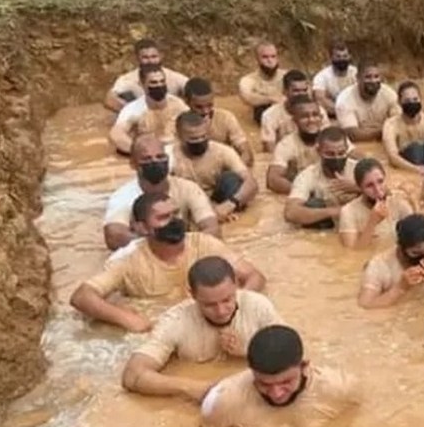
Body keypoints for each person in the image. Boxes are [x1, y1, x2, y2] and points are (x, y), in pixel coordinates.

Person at [70, 193, 265, 332]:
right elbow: (82, 297)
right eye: (163, 217)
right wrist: (127, 319)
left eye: (175, 214)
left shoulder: (204, 243)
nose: (174, 221)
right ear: (142, 227)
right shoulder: (128, 261)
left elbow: (254, 276)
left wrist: (235, 305)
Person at [121, 257, 284, 402]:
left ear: (235, 285)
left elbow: (292, 358)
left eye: (227, 300)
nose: (221, 311)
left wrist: (248, 351)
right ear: (192, 294)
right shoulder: (175, 321)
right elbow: (132, 375)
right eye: (209, 305)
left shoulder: (258, 306)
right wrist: (194, 388)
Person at [199, 325, 360, 427]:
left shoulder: (341, 388)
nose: (276, 394)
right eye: (264, 384)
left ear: (304, 366)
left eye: (286, 382)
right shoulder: (223, 404)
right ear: (252, 372)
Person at [101, 134, 220, 250]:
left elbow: (212, 228)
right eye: (147, 159)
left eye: (160, 156)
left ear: (168, 159)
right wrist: (158, 245)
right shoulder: (122, 196)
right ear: (133, 164)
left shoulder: (189, 188)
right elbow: (113, 237)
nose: (155, 162)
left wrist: (179, 245)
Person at [169, 112, 258, 219]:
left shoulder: (222, 151)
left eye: (203, 136)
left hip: (218, 198)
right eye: (194, 139)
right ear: (179, 136)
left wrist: (230, 204)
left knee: (232, 179)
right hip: (186, 201)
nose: (200, 141)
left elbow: (251, 183)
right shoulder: (168, 156)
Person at [357, 214, 424, 309]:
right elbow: (365, 305)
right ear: (400, 246)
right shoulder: (379, 265)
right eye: (415, 253)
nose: (423, 258)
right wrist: (400, 288)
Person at [266, 95, 355, 195]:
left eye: (315, 115)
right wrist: (306, 192)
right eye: (305, 116)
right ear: (294, 121)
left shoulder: (335, 138)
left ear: (321, 118)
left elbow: (362, 162)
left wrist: (356, 187)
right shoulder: (286, 145)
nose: (311, 120)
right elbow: (273, 180)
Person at [284, 127, 360, 229]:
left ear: (347, 150)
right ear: (318, 151)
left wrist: (357, 188)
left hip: (358, 224)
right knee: (314, 204)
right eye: (330, 154)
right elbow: (290, 213)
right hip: (328, 226)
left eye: (341, 153)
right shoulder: (307, 176)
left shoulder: (359, 170)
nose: (336, 158)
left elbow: (382, 195)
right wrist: (337, 211)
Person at [109, 64, 190, 155]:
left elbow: (194, 126)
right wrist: (141, 151)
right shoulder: (133, 109)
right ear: (142, 84)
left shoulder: (178, 105)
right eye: (153, 83)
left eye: (162, 81)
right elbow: (116, 134)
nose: (159, 85)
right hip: (148, 155)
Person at [339, 158, 416, 249]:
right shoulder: (348, 212)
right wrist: (372, 222)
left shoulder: (398, 200)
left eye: (380, 181)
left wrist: (414, 204)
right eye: (369, 185)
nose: (378, 190)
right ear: (360, 187)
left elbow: (417, 235)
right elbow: (352, 253)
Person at [183, 77, 253, 167]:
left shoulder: (225, 118)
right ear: (187, 102)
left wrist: (236, 168)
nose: (205, 111)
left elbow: (246, 153)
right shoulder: (179, 123)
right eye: (199, 107)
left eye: (210, 105)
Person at [104, 39, 188, 112]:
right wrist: (132, 111)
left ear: (161, 57)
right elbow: (110, 99)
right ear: (137, 58)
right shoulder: (128, 79)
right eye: (145, 57)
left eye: (154, 57)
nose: (150, 61)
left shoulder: (174, 77)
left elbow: (192, 89)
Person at [382, 81, 424, 174]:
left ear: (421, 100)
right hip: (409, 161)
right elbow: (393, 156)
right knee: (415, 149)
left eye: (415, 99)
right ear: (399, 102)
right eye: (407, 101)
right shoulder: (391, 124)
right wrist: (416, 169)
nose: (412, 103)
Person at [260, 70, 330, 152]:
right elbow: (270, 146)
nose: (301, 94)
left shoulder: (318, 111)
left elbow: (328, 139)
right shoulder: (270, 115)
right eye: (296, 91)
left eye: (304, 90)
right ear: (284, 91)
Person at [336, 61, 401, 142]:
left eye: (376, 76)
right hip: (358, 143)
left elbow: (399, 121)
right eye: (368, 77)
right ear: (357, 78)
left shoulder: (389, 94)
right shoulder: (344, 99)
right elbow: (352, 134)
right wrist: (385, 130)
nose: (373, 81)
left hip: (386, 139)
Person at [237, 42, 285, 125]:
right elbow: (247, 97)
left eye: (273, 56)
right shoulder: (248, 80)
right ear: (257, 60)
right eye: (265, 57)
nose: (270, 61)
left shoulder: (287, 76)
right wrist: (272, 99)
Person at [312, 40, 358, 118]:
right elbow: (320, 99)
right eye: (338, 56)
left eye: (345, 56)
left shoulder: (356, 73)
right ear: (331, 58)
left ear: (349, 56)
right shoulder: (321, 76)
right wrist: (342, 111)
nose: (342, 59)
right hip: (332, 115)